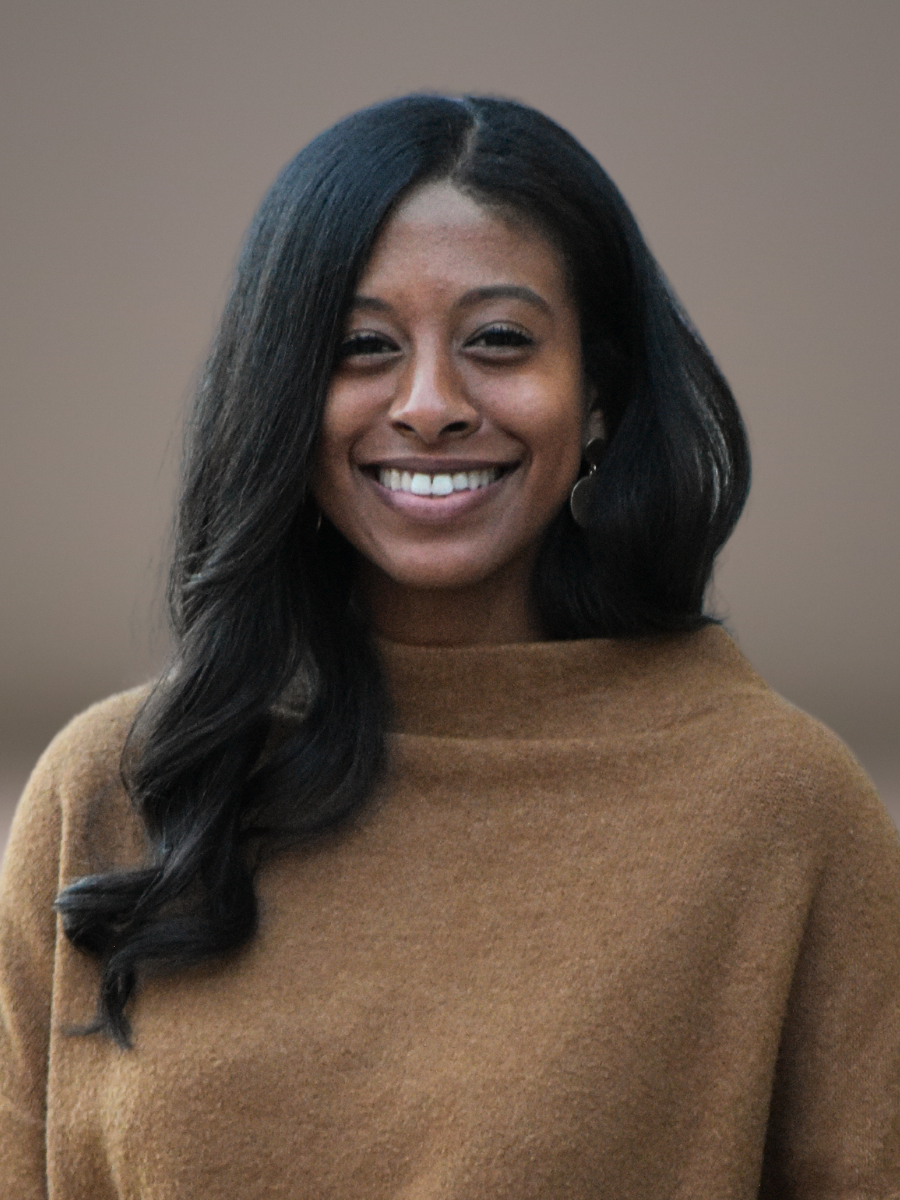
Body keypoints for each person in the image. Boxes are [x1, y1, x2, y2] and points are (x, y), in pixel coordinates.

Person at [0, 93, 898, 1199]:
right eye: (363, 347)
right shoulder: (117, 790)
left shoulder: (783, 807)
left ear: (602, 390)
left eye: (500, 341)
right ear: (285, 391)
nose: (429, 405)